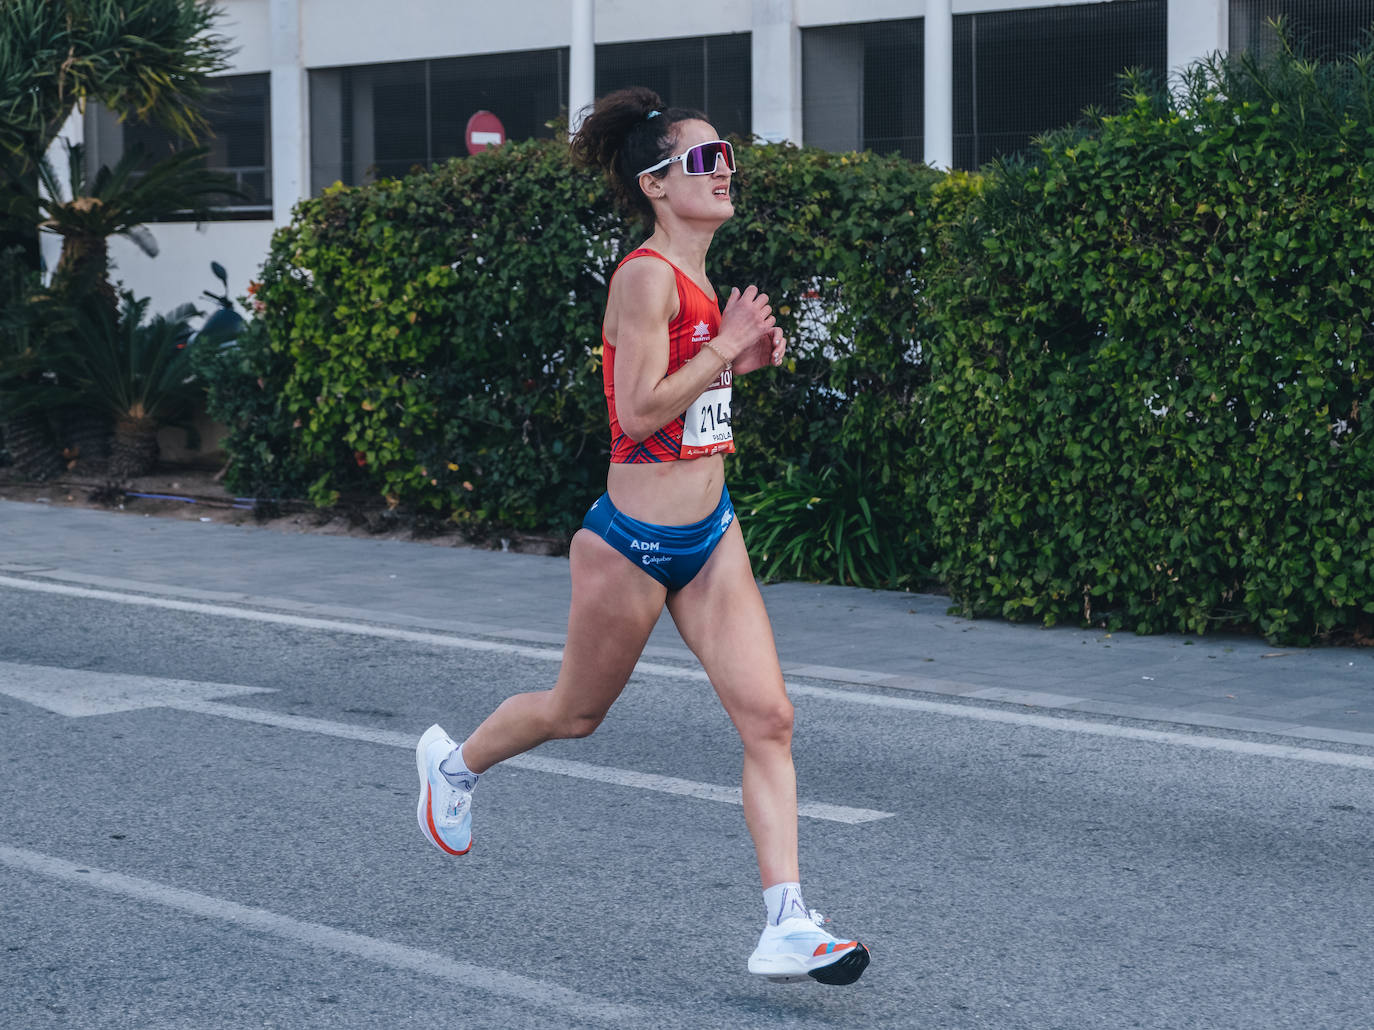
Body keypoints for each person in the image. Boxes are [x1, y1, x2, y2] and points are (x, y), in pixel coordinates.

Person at [415, 86, 870, 987]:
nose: (725, 170)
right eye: (706, 160)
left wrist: (738, 359)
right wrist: (722, 347)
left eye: (727, 155)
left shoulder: (700, 285)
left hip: (710, 534)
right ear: (658, 184)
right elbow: (634, 411)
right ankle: (452, 766)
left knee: (769, 719)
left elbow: (689, 406)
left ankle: (786, 921)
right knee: (575, 714)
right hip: (630, 545)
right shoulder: (647, 277)